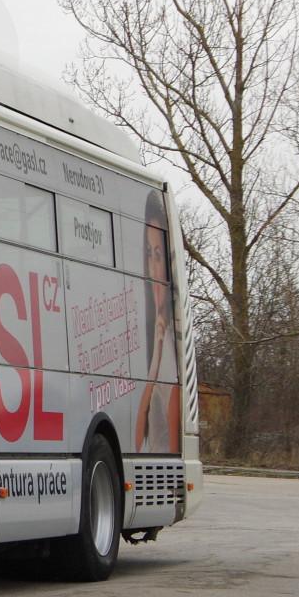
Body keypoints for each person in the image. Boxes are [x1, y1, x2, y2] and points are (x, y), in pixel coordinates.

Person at [134, 193, 182, 453]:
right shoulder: (157, 341)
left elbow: (175, 449)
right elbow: (136, 441)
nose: (153, 267)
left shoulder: (172, 354)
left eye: (159, 255)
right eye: (148, 254)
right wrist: (153, 368)